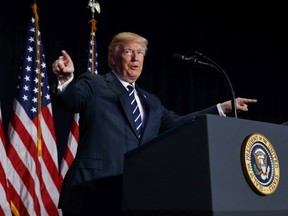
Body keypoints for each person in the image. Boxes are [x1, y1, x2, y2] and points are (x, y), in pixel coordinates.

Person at [52, 32, 257, 216]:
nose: (135, 58)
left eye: (140, 53)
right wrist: (65, 79)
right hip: (92, 192)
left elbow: (178, 123)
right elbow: (70, 100)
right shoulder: (94, 83)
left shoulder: (150, 101)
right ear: (113, 59)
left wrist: (221, 108)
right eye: (129, 52)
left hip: (134, 196)